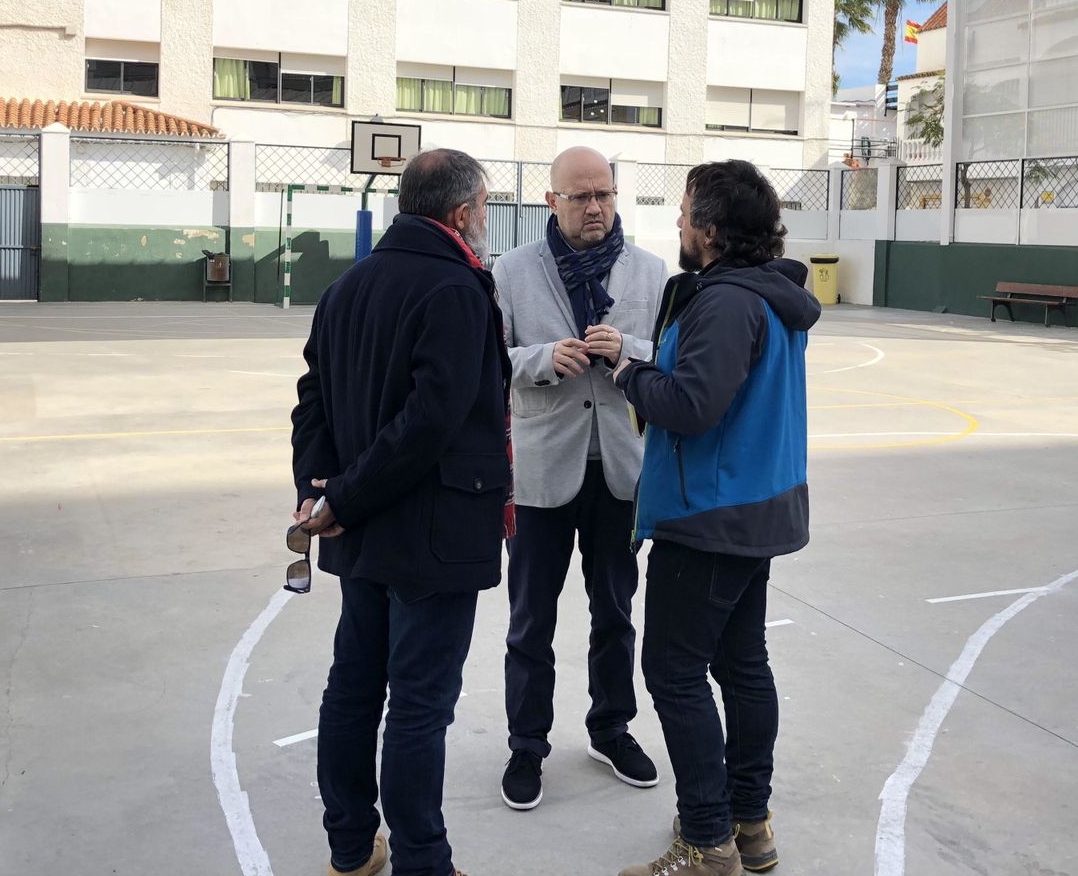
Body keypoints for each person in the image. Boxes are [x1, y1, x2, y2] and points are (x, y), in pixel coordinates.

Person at [291, 148, 510, 876]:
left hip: (361, 528)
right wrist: (339, 496)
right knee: (418, 705)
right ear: (459, 213)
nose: (486, 219)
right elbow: (431, 420)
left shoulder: (347, 287)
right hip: (431, 536)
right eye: (484, 206)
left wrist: (319, 489)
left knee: (354, 688)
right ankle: (423, 861)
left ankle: (352, 848)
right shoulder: (455, 289)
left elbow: (311, 403)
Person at [611, 160, 820, 876]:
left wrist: (630, 374)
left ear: (711, 227)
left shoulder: (727, 302)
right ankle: (747, 821)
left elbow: (694, 407)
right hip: (753, 507)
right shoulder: (765, 295)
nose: (676, 222)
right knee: (740, 664)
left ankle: (706, 840)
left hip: (710, 516)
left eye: (684, 210)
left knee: (673, 671)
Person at [492, 146, 667, 811]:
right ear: (552, 202)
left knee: (616, 611)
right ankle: (526, 745)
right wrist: (541, 358)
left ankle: (610, 727)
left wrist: (631, 352)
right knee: (530, 617)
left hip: (621, 470)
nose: (595, 207)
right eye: (580, 197)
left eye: (605, 195)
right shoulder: (510, 272)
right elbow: (489, 361)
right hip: (540, 471)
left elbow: (672, 360)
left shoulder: (651, 272)